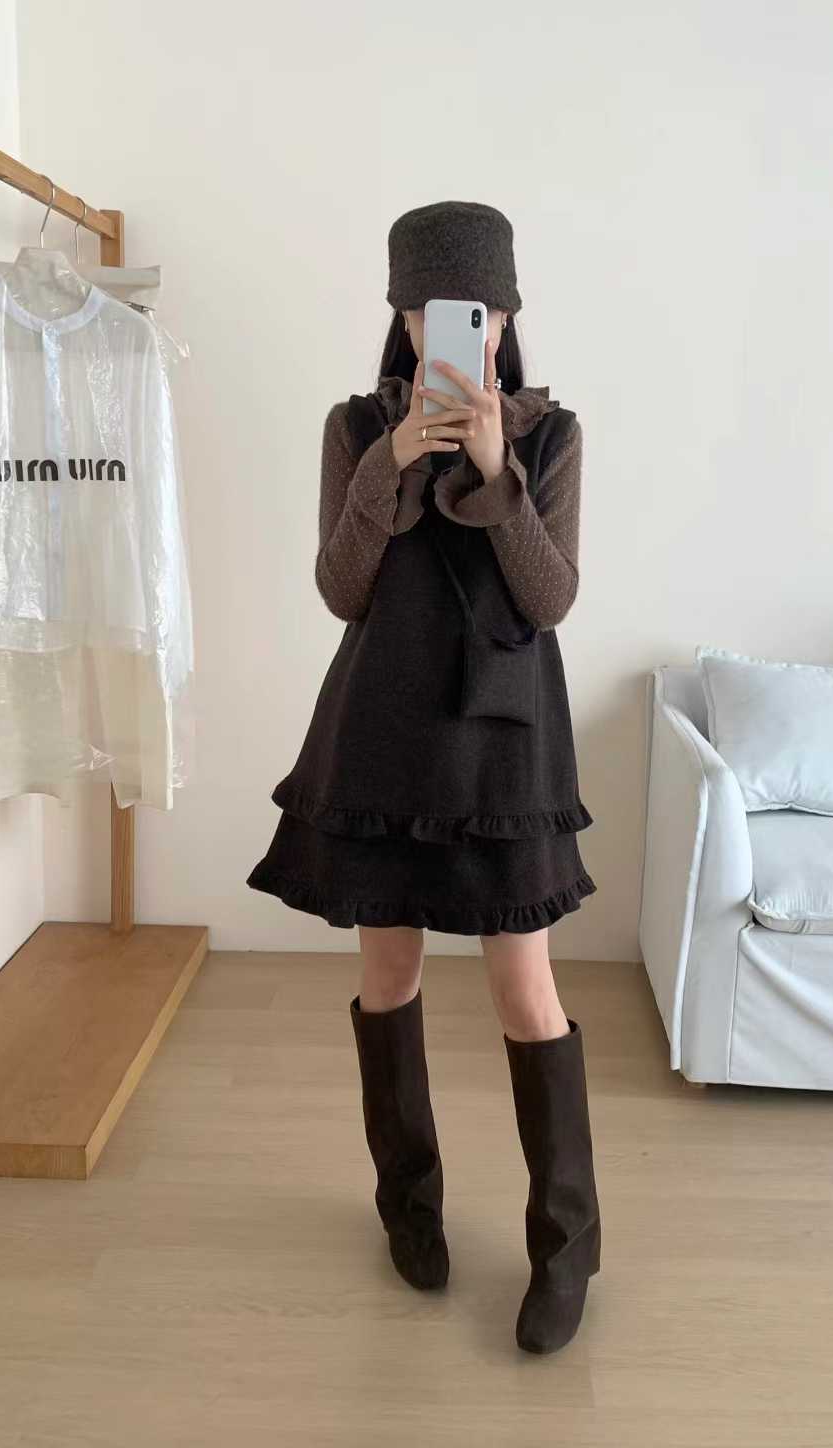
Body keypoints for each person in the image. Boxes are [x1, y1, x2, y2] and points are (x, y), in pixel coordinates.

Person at [246, 200, 601, 1354]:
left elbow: (549, 598)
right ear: (402, 319)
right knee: (388, 972)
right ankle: (409, 1208)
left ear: (505, 318)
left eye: (478, 311)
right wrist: (390, 464)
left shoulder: (552, 435)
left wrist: (496, 468)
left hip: (504, 744)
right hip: (385, 732)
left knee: (525, 990)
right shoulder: (357, 428)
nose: (458, 329)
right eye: (432, 310)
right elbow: (340, 590)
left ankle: (567, 1247)